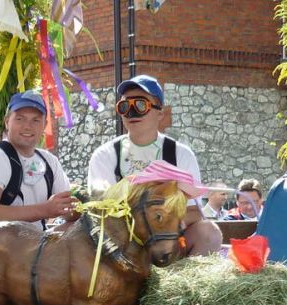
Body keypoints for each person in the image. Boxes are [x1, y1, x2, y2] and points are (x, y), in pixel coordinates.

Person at [87, 74, 222, 256]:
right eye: (125, 106)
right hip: (121, 246)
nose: (131, 113)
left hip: (167, 242)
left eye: (141, 105)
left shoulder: (180, 154)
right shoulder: (105, 155)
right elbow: (101, 213)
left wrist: (165, 226)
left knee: (208, 232)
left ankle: (177, 282)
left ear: (160, 113)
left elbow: (194, 213)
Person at [0, 90, 75, 229]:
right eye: (20, 119)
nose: (27, 126)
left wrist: (95, 206)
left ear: (44, 125)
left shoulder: (50, 161)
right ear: (7, 122)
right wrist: (45, 210)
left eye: (36, 120)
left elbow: (69, 212)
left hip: (32, 246)